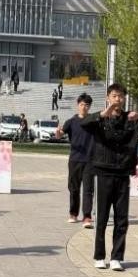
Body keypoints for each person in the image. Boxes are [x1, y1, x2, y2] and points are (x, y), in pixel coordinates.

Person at [81, 83, 138, 272]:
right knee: (102, 217)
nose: (118, 99)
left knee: (122, 219)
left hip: (123, 173)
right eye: (114, 96)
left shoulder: (131, 119)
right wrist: (102, 114)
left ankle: (116, 257)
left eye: (121, 96)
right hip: (103, 172)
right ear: (108, 98)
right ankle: (99, 256)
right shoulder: (99, 119)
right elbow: (84, 123)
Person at [57, 93, 95, 227]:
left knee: (88, 189)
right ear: (78, 105)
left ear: (90, 107)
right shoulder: (71, 121)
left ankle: (87, 217)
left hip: (90, 161)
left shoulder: (93, 121)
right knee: (74, 188)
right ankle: (73, 214)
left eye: (87, 105)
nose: (84, 107)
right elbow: (60, 135)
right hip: (75, 159)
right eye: (82, 104)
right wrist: (58, 133)